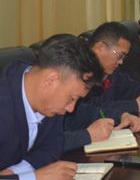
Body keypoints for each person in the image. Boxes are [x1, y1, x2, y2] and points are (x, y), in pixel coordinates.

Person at [0, 34, 102, 180]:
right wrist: (35, 177)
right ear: (51, 80)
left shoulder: (48, 103)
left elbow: (53, 145)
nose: (71, 108)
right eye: (71, 98)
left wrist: (18, 172)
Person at [63, 23, 140, 152]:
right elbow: (47, 142)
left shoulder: (108, 70)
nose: (121, 62)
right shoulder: (76, 70)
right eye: (120, 56)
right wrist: (87, 135)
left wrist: (121, 115)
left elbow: (86, 111)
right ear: (100, 47)